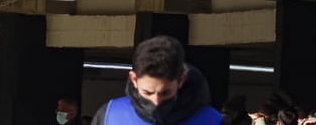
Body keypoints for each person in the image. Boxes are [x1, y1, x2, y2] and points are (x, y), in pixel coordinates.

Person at [90, 35, 222, 125]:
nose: (156, 101)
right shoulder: (108, 116)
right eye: (148, 92)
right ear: (134, 79)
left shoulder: (212, 121)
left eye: (165, 93)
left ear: (181, 80)